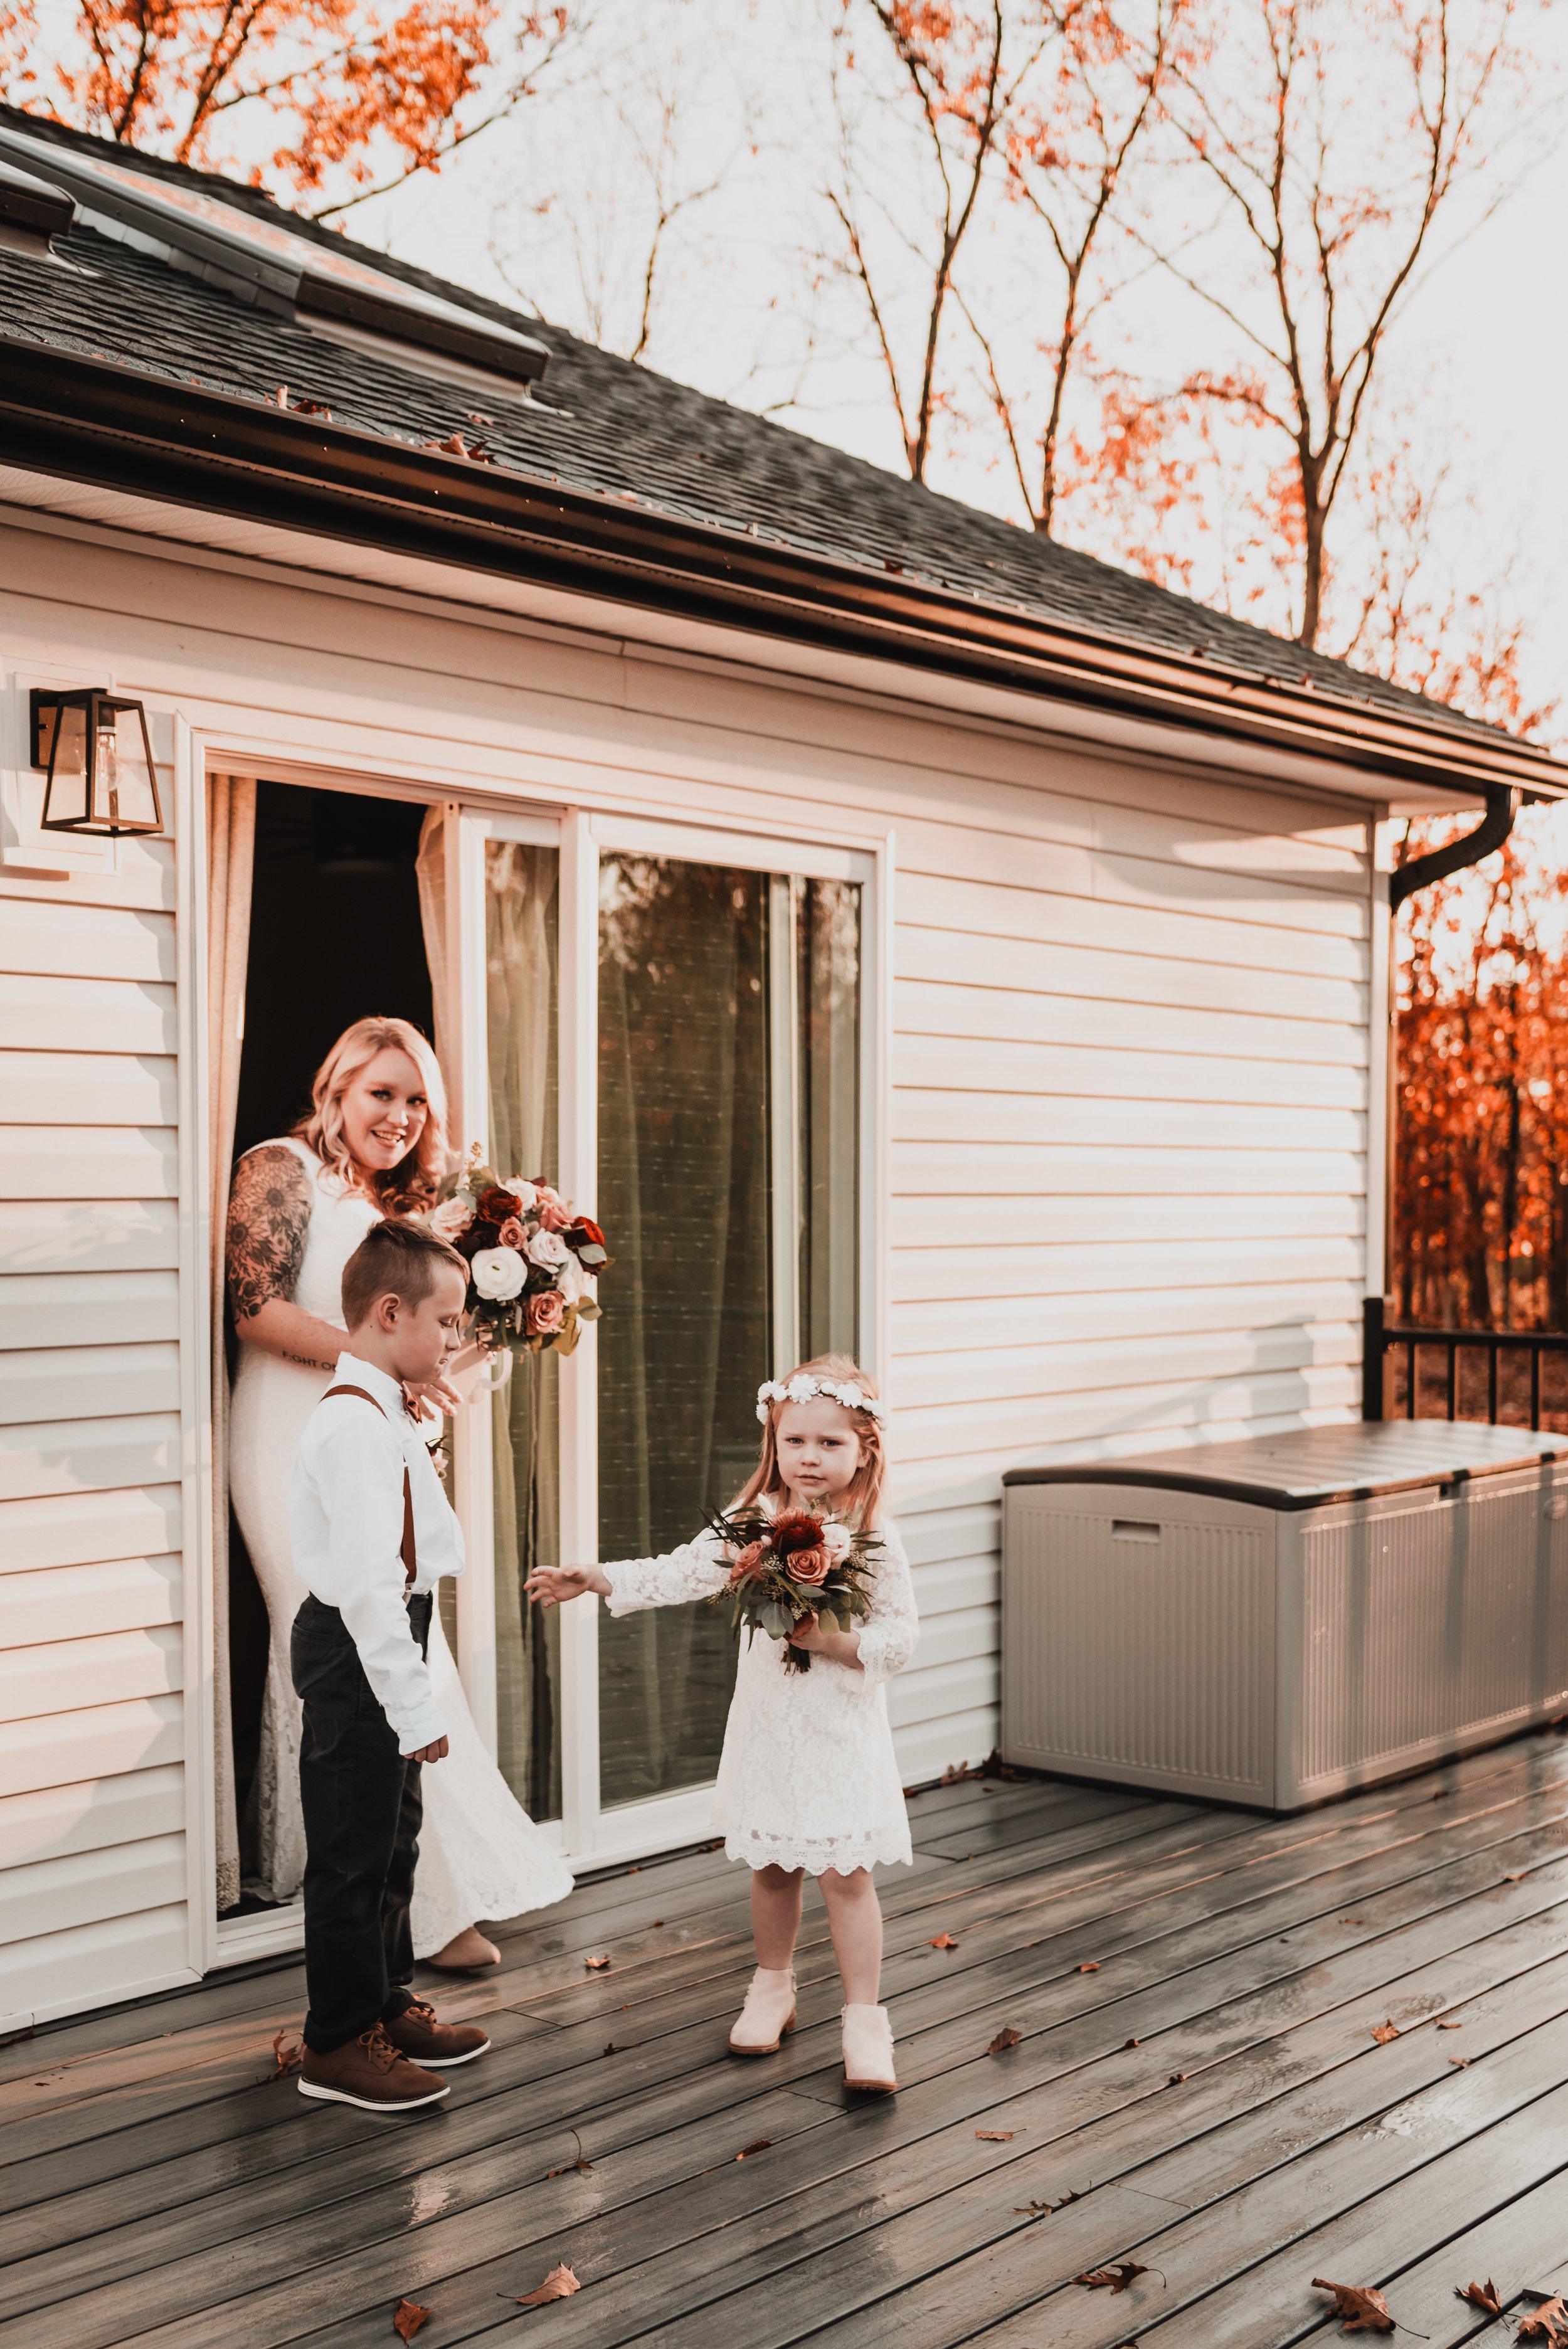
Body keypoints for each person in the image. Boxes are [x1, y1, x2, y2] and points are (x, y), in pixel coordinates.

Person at [226, 1014, 572, 1966]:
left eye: (417, 1099)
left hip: (369, 1433)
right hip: (286, 1434)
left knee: (407, 1644)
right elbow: (256, 1310)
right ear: (336, 1087)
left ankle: (418, 1892)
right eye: (382, 1092)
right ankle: (408, 1911)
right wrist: (381, 1361)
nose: (401, 1115)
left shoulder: (400, 1203)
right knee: (341, 1642)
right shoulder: (279, 1164)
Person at [528, 1352, 918, 2094]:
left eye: (830, 1443)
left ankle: (865, 2019)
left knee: (845, 1874)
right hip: (771, 1723)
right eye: (796, 1440)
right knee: (772, 1867)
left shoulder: (874, 1536)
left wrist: (835, 1643)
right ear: (774, 1442)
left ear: (864, 1450)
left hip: (840, 1727)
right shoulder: (755, 1523)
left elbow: (900, 1638)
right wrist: (597, 1576)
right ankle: (773, 1986)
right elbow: (683, 1569)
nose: (810, 1456)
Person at [290, 1216, 490, 2109]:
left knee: (393, 1835)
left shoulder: (384, 1409)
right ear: (389, 1311)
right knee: (350, 1846)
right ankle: (336, 2042)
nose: (456, 1338)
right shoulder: (351, 1427)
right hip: (356, 1643)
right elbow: (370, 1584)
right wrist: (415, 1711)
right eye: (448, 1322)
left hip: (391, 1630)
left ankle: (382, 1999)